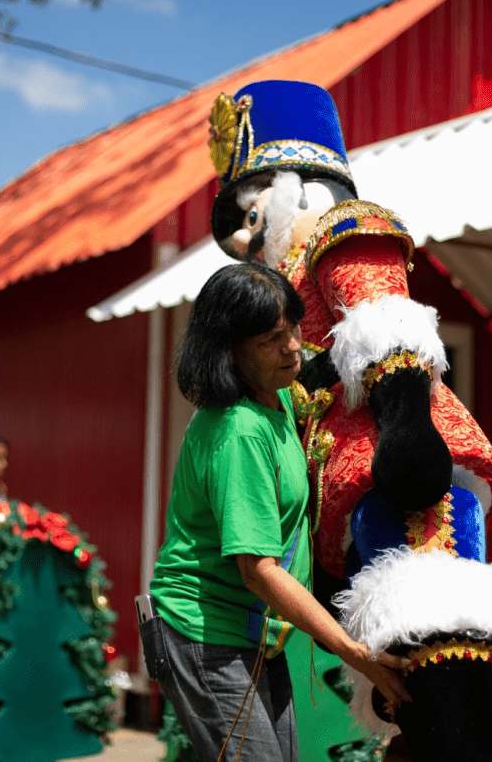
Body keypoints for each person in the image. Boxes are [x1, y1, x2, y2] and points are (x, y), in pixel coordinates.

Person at [142, 263, 409, 762]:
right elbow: (259, 570)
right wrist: (354, 653)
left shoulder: (281, 394)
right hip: (207, 634)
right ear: (230, 352)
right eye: (271, 338)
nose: (292, 346)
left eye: (292, 327)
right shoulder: (238, 432)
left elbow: (322, 374)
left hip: (255, 637)